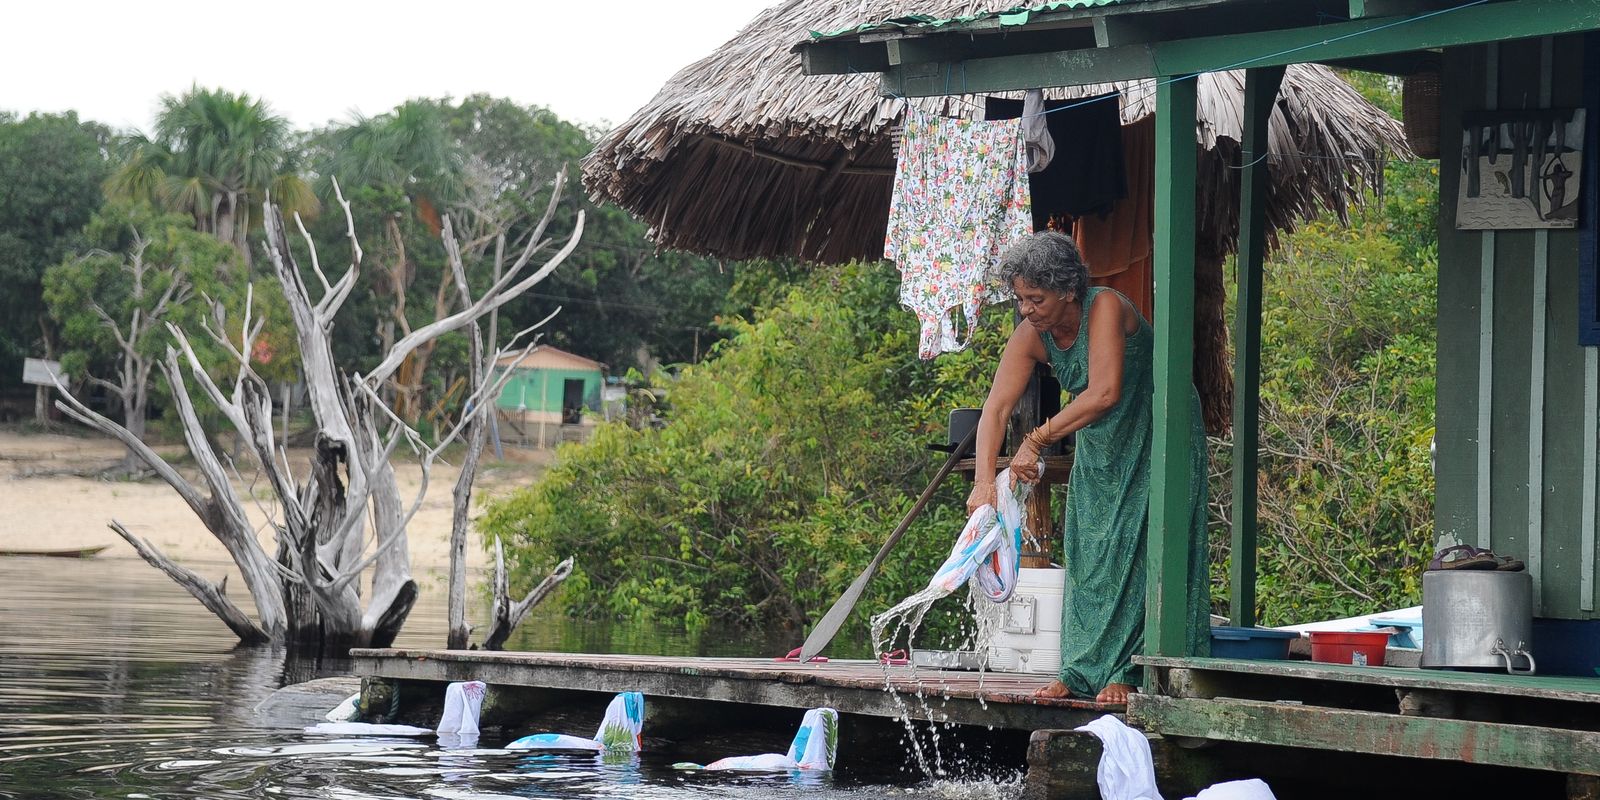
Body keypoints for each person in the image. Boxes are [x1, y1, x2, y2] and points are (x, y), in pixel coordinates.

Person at [966, 231, 1209, 705]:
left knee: (1138, 544)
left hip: (1159, 430)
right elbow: (995, 408)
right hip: (1101, 440)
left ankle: (1129, 671)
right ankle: (1079, 671)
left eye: (1036, 298)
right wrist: (982, 485)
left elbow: (1104, 392)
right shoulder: (1031, 335)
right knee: (1086, 542)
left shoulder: (1106, 308)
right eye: (1020, 299)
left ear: (1068, 290)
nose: (1027, 310)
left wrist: (1036, 439)